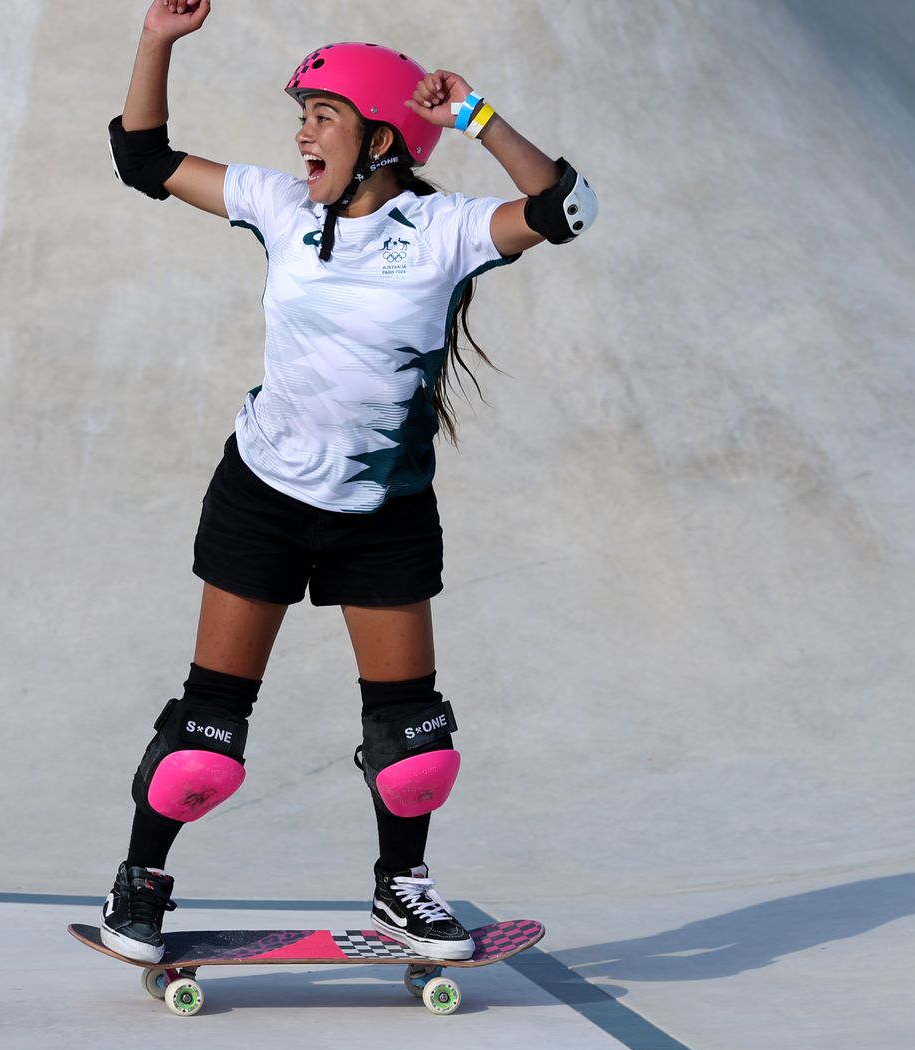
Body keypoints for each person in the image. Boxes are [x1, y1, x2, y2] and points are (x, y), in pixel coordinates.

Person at [96, 0, 598, 964]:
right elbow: (144, 159)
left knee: (416, 748)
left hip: (384, 514)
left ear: (378, 138)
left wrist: (478, 118)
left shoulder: (445, 229)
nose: (300, 133)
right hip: (264, 499)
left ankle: (401, 891)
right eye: (303, 113)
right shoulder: (281, 205)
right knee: (205, 737)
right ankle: (142, 879)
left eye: (321, 115)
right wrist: (157, 40)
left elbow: (561, 210)